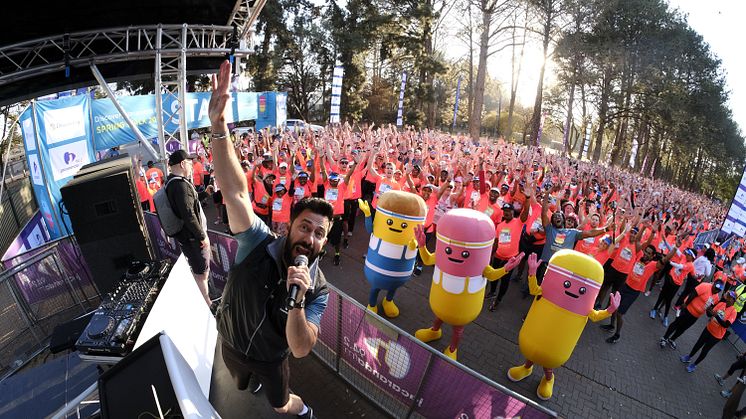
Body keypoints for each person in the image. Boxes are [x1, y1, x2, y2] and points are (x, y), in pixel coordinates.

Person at [210, 60, 326, 419]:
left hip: (272, 361)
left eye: (320, 233)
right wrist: (218, 128)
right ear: (290, 225)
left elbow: (301, 347)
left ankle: (303, 410)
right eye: (306, 227)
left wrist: (298, 300)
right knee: (241, 385)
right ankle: (250, 381)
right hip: (230, 344)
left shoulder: (319, 289)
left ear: (324, 243)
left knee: (280, 405)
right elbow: (235, 193)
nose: (310, 237)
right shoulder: (257, 241)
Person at [164, 150, 212, 307]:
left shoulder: (172, 182)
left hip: (187, 237)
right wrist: (201, 236)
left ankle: (205, 300)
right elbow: (189, 214)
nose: (192, 165)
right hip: (192, 238)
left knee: (200, 272)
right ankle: (206, 304)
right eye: (190, 163)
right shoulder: (180, 186)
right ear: (183, 164)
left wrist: (205, 194)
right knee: (202, 274)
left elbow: (189, 205)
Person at [680, 290, 737, 373]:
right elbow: (709, 315)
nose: (728, 298)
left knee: (705, 350)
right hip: (709, 328)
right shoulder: (721, 304)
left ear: (733, 300)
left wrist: (717, 316)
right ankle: (689, 357)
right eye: (728, 296)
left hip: (716, 336)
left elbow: (726, 325)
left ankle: (694, 365)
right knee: (698, 343)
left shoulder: (733, 312)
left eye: (730, 297)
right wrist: (708, 310)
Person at [660, 279, 724, 349]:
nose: (717, 290)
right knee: (676, 323)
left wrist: (710, 313)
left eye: (719, 290)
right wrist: (685, 304)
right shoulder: (705, 286)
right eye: (716, 288)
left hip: (696, 316)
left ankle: (672, 339)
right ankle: (664, 338)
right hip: (687, 309)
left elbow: (708, 312)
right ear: (714, 284)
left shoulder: (716, 298)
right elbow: (693, 294)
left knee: (683, 328)